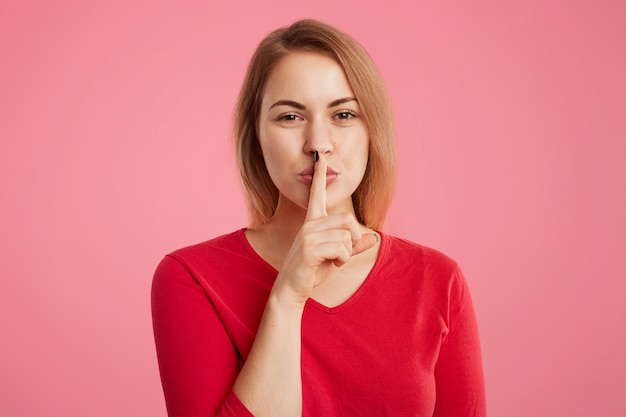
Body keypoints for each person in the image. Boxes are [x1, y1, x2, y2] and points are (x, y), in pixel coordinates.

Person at [151, 19, 486, 417]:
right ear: (256, 138)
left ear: (371, 132)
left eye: (343, 115)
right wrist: (287, 297)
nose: (319, 144)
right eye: (290, 117)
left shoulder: (438, 280)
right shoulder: (191, 277)